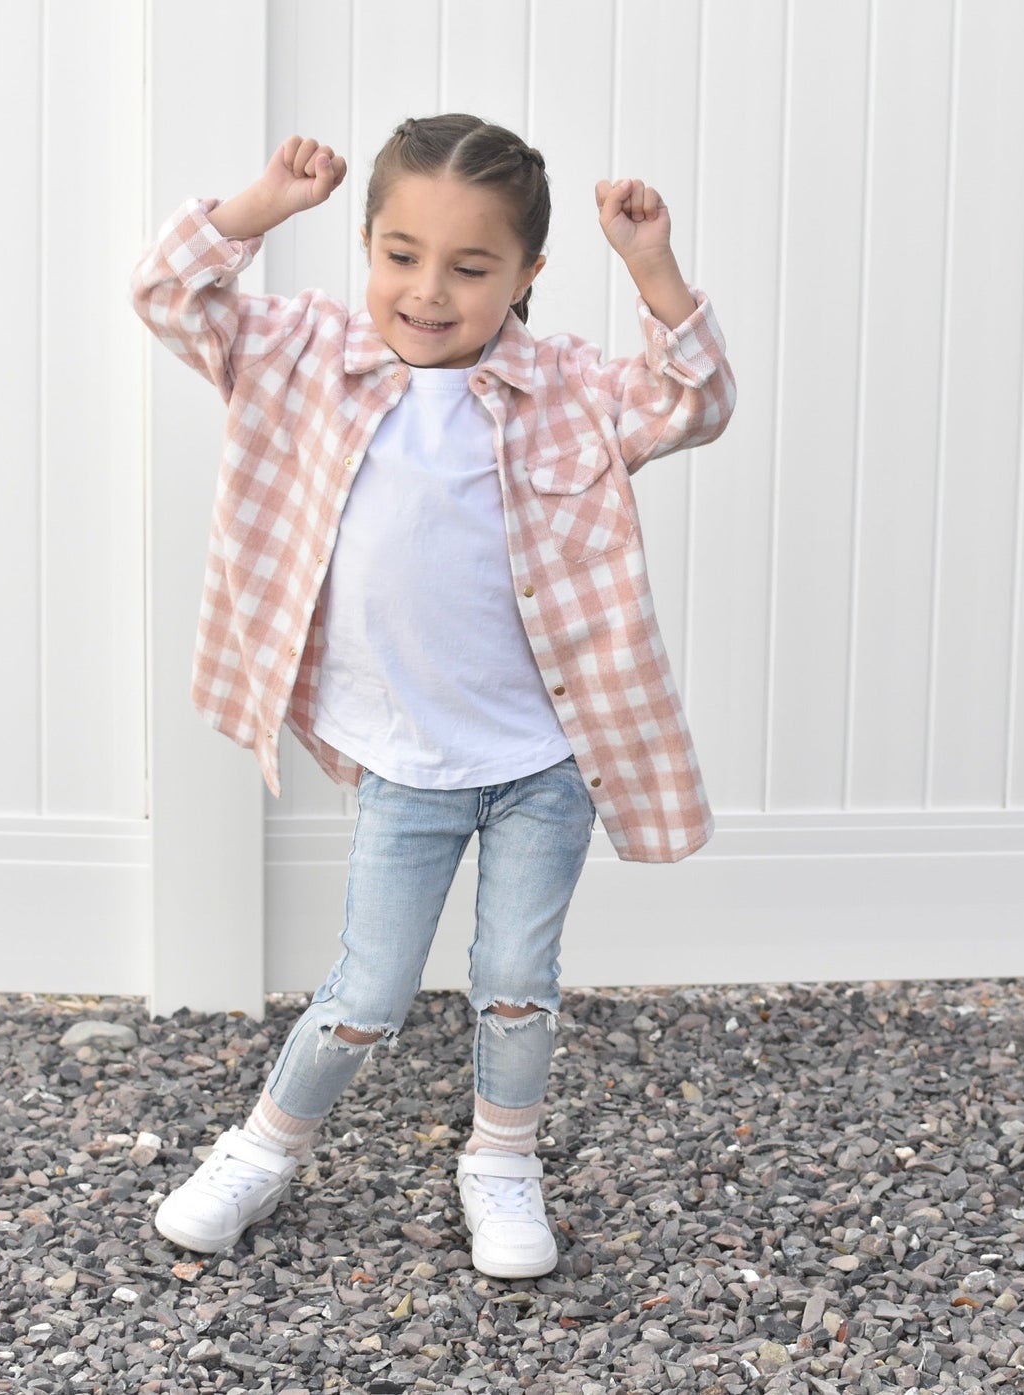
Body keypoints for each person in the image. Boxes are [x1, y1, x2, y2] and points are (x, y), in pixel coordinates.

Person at [127, 112, 737, 1280]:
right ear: (365, 244)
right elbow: (166, 293)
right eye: (400, 255)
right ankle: (262, 1146)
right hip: (408, 764)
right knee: (368, 988)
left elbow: (694, 400)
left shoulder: (569, 388)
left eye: (469, 267)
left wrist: (652, 268)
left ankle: (500, 1161)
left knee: (514, 983)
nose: (427, 292)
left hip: (544, 763)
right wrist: (261, 207)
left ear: (525, 273)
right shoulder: (303, 353)